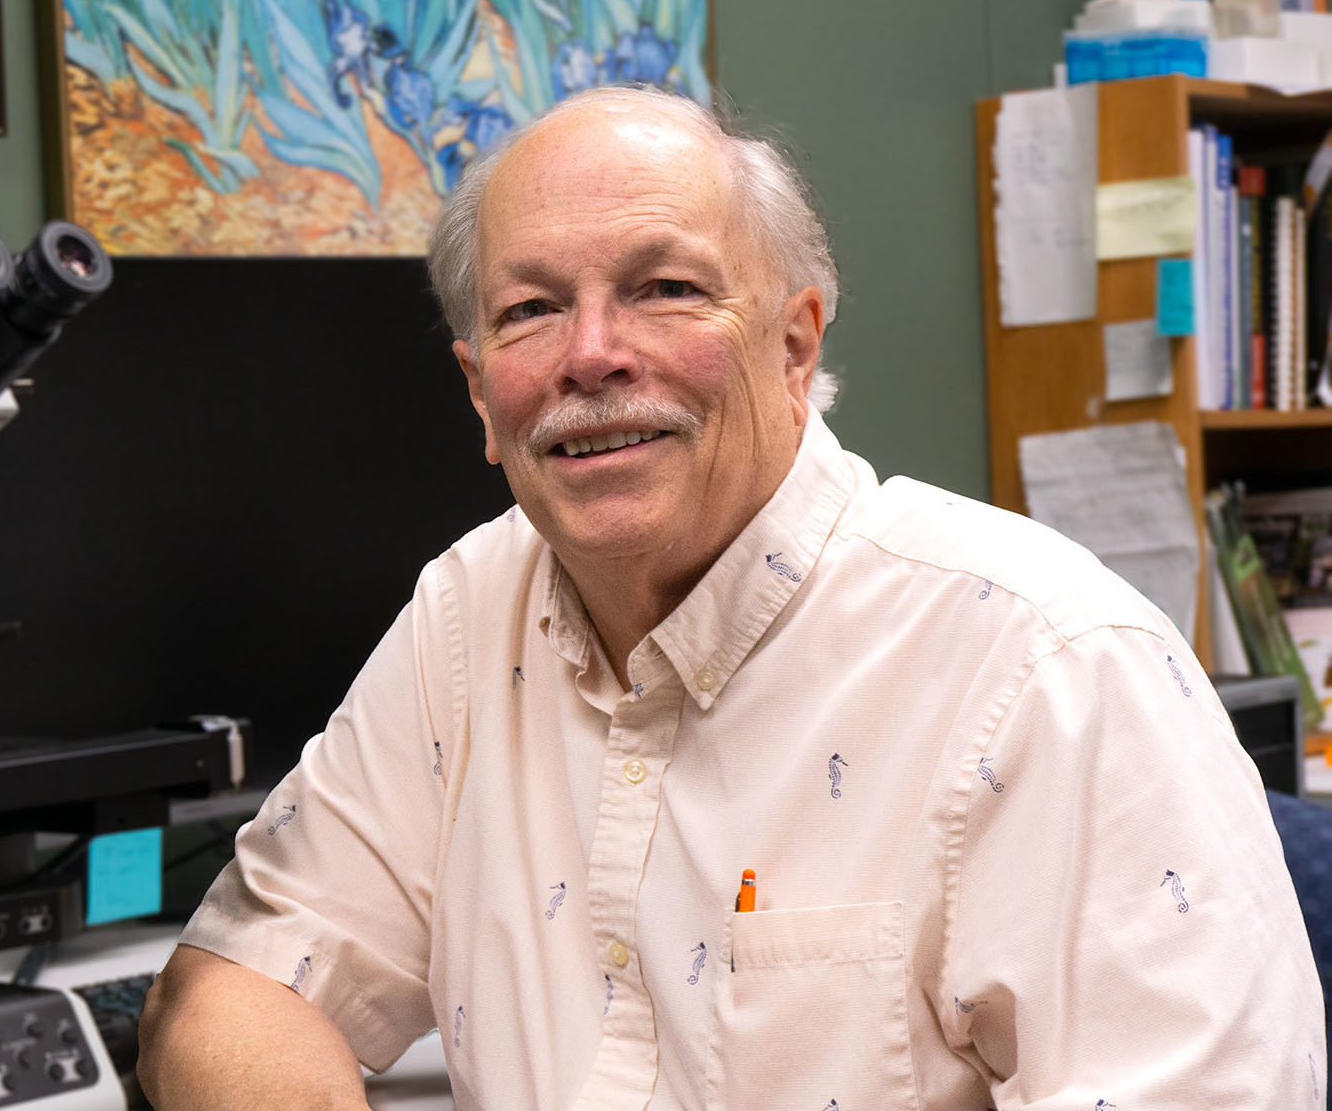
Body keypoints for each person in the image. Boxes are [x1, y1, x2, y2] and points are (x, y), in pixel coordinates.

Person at [137, 85, 1325, 1109]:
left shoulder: (1050, 668)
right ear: (478, 394)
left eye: (663, 288)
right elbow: (237, 982)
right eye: (530, 309)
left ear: (795, 346)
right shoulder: (465, 617)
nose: (589, 353)